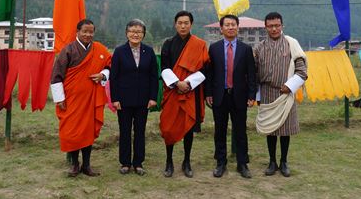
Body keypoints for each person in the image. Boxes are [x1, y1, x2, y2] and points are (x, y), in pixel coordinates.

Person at [51, 19, 112, 177]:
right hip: (71, 100)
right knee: (71, 132)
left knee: (88, 132)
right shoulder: (68, 50)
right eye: (84, 31)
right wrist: (60, 99)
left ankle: (86, 165)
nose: (87, 34)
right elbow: (56, 76)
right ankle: (74, 164)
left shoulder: (99, 49)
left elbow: (110, 65)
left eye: (91, 31)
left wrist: (103, 74)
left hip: (91, 98)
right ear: (77, 32)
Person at [253, 12, 308, 177]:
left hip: (286, 93)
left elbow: (302, 71)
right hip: (267, 92)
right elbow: (254, 74)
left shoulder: (292, 44)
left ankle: (284, 161)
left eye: (277, 25)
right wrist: (256, 96)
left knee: (285, 130)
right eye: (270, 26)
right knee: (270, 130)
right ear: (265, 27)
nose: (274, 28)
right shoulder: (259, 48)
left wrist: (289, 86)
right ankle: (272, 162)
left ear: (282, 26)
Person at [206, 14, 257, 178]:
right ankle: (221, 163)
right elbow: (210, 73)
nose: (230, 27)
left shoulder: (246, 49)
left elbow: (251, 74)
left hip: (239, 96)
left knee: (240, 131)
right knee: (219, 131)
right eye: (227, 25)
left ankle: (242, 164)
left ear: (238, 27)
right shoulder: (213, 48)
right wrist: (208, 93)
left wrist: (251, 95)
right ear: (221, 29)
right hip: (220, 96)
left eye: (233, 24)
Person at [159, 10, 209, 178]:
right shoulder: (168, 44)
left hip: (191, 92)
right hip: (173, 91)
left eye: (186, 23)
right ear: (175, 24)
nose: (183, 26)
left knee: (188, 128)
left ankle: (187, 161)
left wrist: (187, 83)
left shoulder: (199, 44)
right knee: (169, 127)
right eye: (180, 23)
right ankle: (169, 161)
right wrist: (177, 83)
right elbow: (164, 67)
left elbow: (205, 68)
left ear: (191, 24)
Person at [109, 19, 159, 176]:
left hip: (143, 100)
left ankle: (138, 163)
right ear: (126, 33)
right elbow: (114, 77)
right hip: (123, 100)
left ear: (144, 34)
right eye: (132, 31)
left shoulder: (149, 51)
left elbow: (153, 76)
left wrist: (152, 97)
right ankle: (125, 162)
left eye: (139, 31)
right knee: (124, 131)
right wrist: (115, 99)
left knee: (140, 131)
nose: (135, 34)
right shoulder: (119, 51)